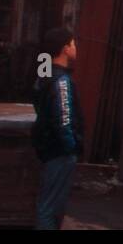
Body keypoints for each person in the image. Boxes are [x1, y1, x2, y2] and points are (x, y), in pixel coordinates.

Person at [32, 27, 84, 229]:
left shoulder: (45, 75)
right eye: (73, 44)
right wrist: (72, 146)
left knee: (51, 204)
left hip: (49, 149)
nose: (75, 48)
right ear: (65, 49)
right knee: (49, 207)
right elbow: (64, 120)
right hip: (59, 152)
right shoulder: (61, 81)